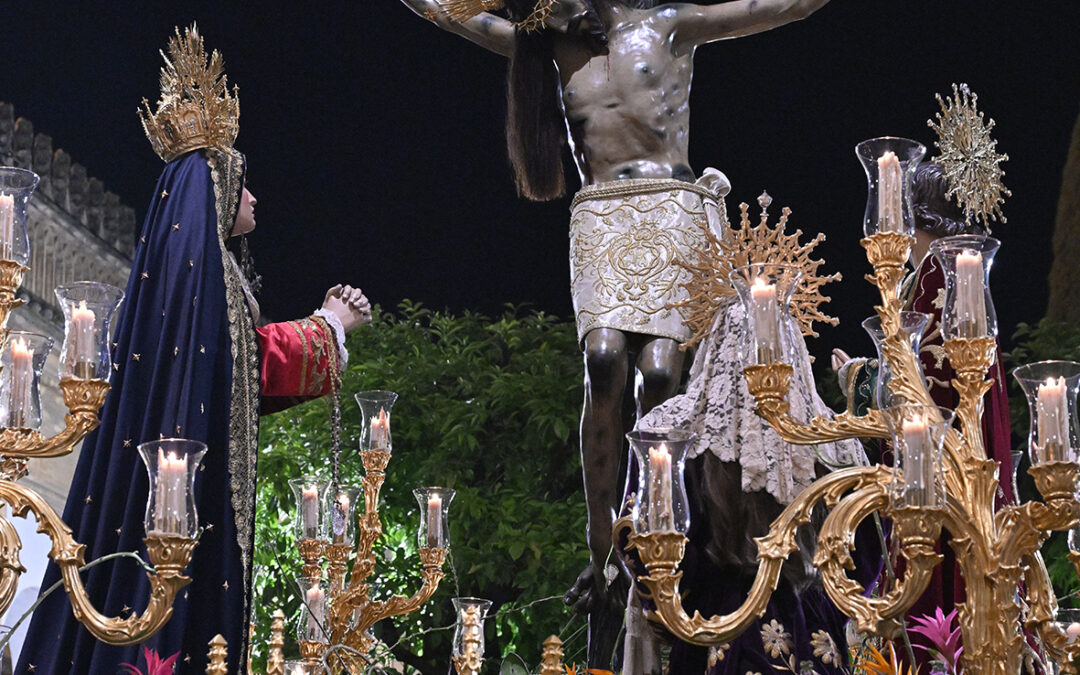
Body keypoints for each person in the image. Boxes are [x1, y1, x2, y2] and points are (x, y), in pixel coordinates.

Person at [395, 0, 832, 664]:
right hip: (603, 212)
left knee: (660, 370)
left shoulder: (669, 25)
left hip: (676, 207)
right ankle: (602, 548)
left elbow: (780, 8)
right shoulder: (548, 44)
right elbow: (451, 16)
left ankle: (653, 529)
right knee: (604, 357)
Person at [16, 26, 370, 674]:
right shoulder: (195, 285)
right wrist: (327, 326)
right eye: (245, 185)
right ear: (217, 194)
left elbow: (223, 369)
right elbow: (229, 360)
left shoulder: (198, 283)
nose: (255, 197)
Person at [831, 161, 1014, 668]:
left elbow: (922, 386)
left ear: (909, 213)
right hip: (965, 456)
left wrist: (857, 378)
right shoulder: (960, 268)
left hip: (940, 469)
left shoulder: (937, 270)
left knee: (934, 579)